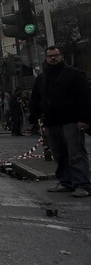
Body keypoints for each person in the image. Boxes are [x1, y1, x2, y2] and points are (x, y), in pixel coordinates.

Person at [28, 46, 91, 198]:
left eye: (55, 55)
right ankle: (65, 182)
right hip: (51, 122)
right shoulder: (42, 78)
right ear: (46, 58)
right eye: (50, 56)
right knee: (59, 154)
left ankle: (83, 185)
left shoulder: (74, 75)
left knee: (76, 153)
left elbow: (85, 98)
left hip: (71, 121)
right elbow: (35, 99)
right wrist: (33, 119)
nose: (53, 58)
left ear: (61, 56)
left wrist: (84, 119)